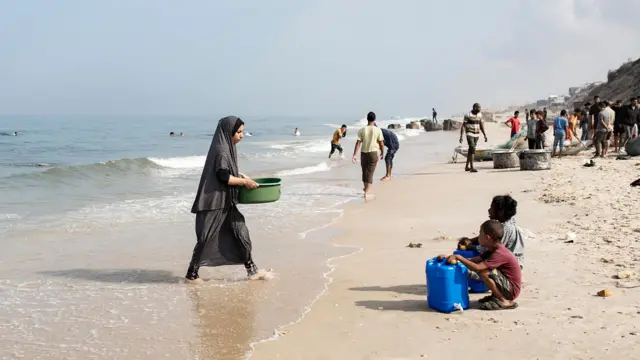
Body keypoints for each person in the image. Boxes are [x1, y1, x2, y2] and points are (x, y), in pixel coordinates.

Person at [186, 116, 263, 284]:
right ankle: (192, 274)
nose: (241, 135)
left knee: (240, 232)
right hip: (213, 201)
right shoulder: (221, 150)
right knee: (205, 238)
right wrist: (244, 182)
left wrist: (242, 176)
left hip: (226, 201)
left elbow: (228, 172)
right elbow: (224, 177)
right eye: (239, 132)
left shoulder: (228, 147)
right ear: (229, 132)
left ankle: (252, 269)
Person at [444, 220, 521, 310]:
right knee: (485, 271)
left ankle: (503, 300)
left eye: (480, 233)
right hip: (506, 285)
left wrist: (459, 257)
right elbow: (473, 260)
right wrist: (449, 257)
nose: (478, 237)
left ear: (487, 238)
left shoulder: (499, 253)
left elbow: (478, 267)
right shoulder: (491, 250)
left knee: (484, 272)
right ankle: (496, 296)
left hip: (511, 290)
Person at [457, 194, 524, 268]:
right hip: (504, 259)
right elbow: (489, 235)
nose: (489, 210)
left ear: (500, 212)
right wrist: (470, 240)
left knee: (477, 271)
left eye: (491, 208)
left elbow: (490, 248)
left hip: (510, 264)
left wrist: (470, 247)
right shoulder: (507, 222)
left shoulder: (506, 228)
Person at [352, 112, 384, 199]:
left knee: (365, 172)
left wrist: (354, 155)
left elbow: (358, 143)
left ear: (367, 119)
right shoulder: (378, 130)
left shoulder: (362, 130)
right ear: (375, 119)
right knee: (370, 173)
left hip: (363, 153)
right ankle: (366, 192)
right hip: (373, 153)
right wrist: (382, 152)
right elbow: (381, 143)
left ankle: (365, 188)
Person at [459, 103, 488, 173]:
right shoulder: (468, 115)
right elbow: (463, 126)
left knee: (471, 150)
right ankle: (472, 167)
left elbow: (481, 124)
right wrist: (461, 136)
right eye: (479, 108)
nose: (480, 109)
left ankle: (466, 167)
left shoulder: (479, 115)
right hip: (469, 133)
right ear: (474, 107)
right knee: (472, 148)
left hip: (476, 134)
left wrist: (485, 135)